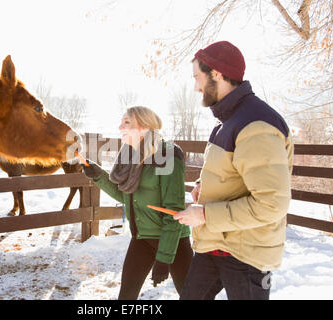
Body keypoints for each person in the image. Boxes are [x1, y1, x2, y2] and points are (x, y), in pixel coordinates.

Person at [174, 41, 294, 300]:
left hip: (246, 254)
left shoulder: (256, 125)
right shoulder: (229, 121)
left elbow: (271, 203)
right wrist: (201, 188)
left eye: (197, 77)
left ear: (216, 73)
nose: (195, 86)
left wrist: (205, 214)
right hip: (216, 245)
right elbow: (231, 174)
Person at [80, 106, 193, 300]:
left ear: (143, 126)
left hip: (173, 242)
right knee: (126, 298)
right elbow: (125, 195)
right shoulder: (130, 154)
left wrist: (164, 259)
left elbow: (173, 211)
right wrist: (98, 175)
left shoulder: (168, 155)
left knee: (193, 296)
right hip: (141, 238)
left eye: (126, 122)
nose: (119, 127)